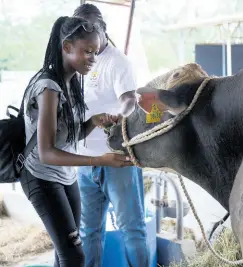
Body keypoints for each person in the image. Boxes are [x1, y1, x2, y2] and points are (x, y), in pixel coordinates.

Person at [20, 16, 133, 267]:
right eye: (87, 52)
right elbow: (47, 152)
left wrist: (93, 121)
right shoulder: (48, 87)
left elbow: (68, 137)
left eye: (95, 52)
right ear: (67, 47)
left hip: (65, 177)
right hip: (41, 177)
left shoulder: (71, 82)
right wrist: (99, 160)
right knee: (74, 256)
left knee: (67, 254)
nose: (92, 58)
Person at [73, 4, 149, 267]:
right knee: (88, 232)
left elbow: (130, 98)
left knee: (132, 229)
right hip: (85, 162)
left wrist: (120, 114)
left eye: (91, 30)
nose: (87, 37)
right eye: (80, 33)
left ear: (102, 28)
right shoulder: (78, 62)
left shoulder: (118, 62)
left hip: (117, 160)